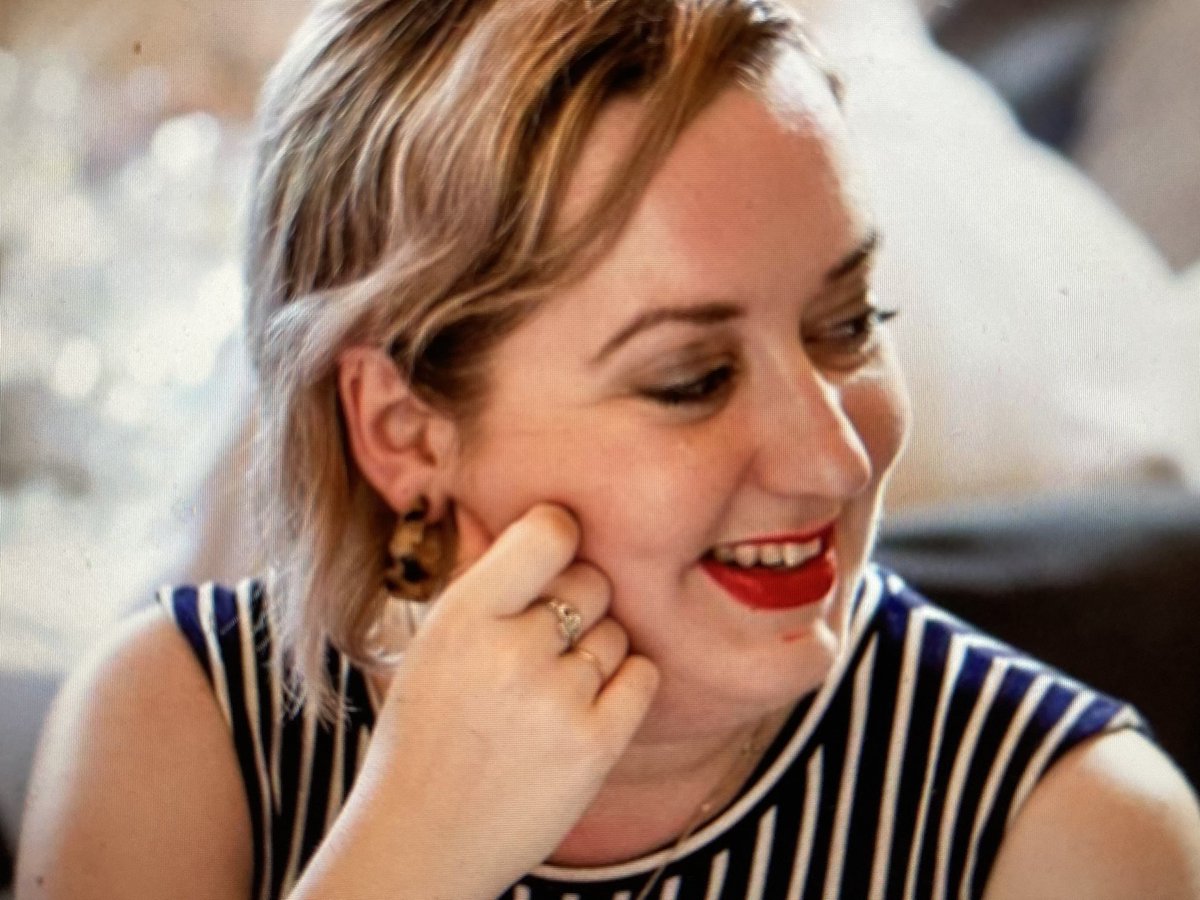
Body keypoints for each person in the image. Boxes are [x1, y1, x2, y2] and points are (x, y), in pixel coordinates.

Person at [16, 0, 1200, 898]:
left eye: (848, 324)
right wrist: (408, 856)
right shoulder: (176, 732)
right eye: (692, 381)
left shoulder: (1072, 833)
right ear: (401, 430)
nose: (834, 461)